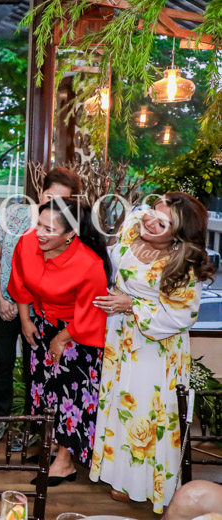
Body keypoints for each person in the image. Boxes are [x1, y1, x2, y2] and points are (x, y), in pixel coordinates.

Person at [90, 193, 214, 513]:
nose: (151, 222)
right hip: (121, 337)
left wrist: (131, 304)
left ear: (179, 234)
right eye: (153, 212)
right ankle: (120, 477)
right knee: (120, 403)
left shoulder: (184, 264)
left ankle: (146, 484)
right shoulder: (133, 226)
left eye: (163, 223)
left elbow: (182, 316)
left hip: (157, 347)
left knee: (144, 411)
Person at [8, 197, 111, 485]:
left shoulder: (89, 264)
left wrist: (61, 340)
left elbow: (91, 312)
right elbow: (20, 283)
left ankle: (65, 462)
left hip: (77, 333)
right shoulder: (28, 242)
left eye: (49, 229)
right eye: (39, 225)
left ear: (70, 234)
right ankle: (53, 447)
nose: (39, 233)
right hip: (42, 324)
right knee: (44, 389)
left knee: (71, 397)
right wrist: (26, 321)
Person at [0, 168, 81, 441]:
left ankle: (32, 426)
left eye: (62, 200)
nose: (53, 203)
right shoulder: (14, 214)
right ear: (40, 192)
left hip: (40, 311)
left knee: (37, 367)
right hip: (4, 301)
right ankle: (0, 418)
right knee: (3, 361)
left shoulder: (67, 230)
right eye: (49, 196)